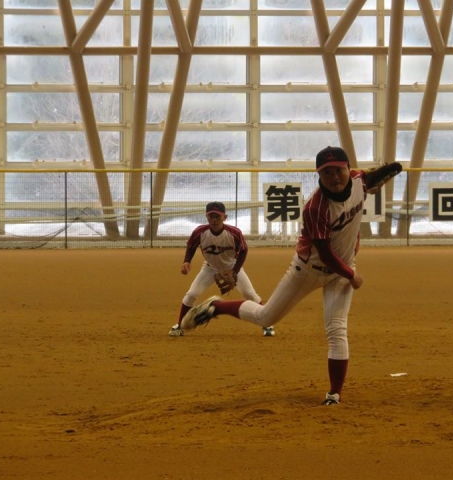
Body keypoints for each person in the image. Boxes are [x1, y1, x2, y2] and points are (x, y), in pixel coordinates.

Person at [180, 147, 402, 405]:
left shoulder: (358, 181)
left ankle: (334, 393)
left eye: (339, 170)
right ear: (319, 175)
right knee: (266, 317)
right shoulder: (316, 208)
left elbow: (369, 179)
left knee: (336, 329)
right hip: (308, 270)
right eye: (327, 172)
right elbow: (325, 253)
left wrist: (388, 170)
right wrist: (351, 274)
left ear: (348, 168)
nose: (334, 177)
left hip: (341, 270)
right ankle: (216, 307)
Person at [168, 201, 275, 338]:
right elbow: (191, 246)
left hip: (232, 267)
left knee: (250, 294)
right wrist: (187, 261)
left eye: (217, 216)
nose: (214, 220)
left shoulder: (234, 233)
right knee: (191, 294)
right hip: (209, 268)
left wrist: (235, 271)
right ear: (206, 216)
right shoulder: (200, 232)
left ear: (225, 217)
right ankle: (180, 325)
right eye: (211, 216)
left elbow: (243, 250)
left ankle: (267, 324)